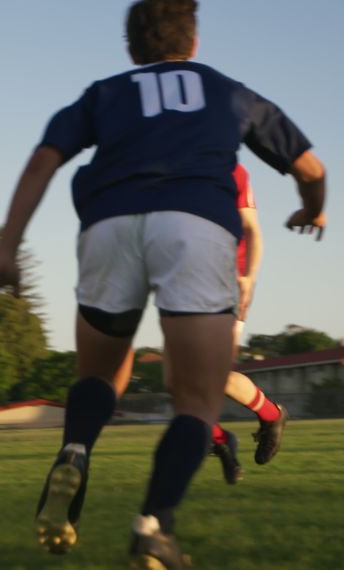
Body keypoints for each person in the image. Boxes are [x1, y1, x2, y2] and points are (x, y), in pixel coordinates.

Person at [0, 0, 325, 566]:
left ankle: (75, 449)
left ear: (132, 51)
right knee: (197, 399)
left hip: (109, 223)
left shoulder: (105, 93)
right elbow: (311, 168)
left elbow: (43, 160)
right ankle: (153, 526)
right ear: (194, 42)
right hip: (195, 225)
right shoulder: (228, 90)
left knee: (101, 373)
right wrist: (314, 209)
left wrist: (7, 250)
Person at [113, 163, 288, 487]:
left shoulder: (231, 168)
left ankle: (270, 416)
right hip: (182, 284)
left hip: (225, 282)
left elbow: (252, 228)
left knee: (210, 375)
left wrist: (249, 276)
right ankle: (221, 440)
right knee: (175, 383)